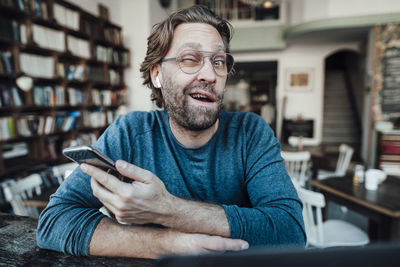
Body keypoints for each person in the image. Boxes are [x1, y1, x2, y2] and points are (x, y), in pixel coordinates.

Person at [36, 5, 306, 259]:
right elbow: (54, 222)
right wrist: (167, 244)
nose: (210, 75)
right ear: (157, 75)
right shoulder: (130, 133)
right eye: (190, 59)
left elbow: (290, 231)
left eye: (219, 62)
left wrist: (168, 209)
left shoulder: (251, 132)